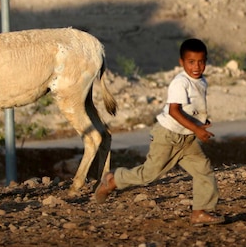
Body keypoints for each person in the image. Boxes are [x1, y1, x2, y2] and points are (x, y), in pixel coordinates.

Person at [94, 38, 224, 225]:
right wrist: (196, 128)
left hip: (187, 139)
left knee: (204, 170)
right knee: (149, 174)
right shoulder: (180, 83)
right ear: (181, 62)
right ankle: (114, 180)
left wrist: (199, 123)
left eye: (201, 61)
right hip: (168, 136)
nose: (197, 66)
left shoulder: (201, 81)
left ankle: (200, 212)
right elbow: (174, 111)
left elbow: (192, 108)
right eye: (191, 62)